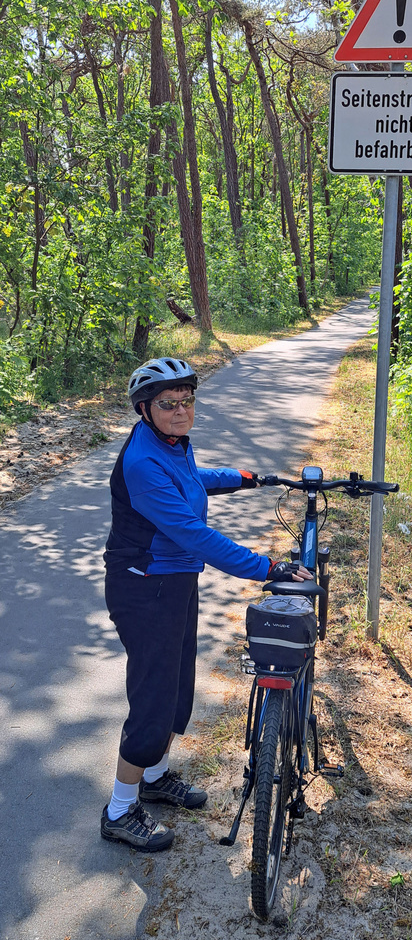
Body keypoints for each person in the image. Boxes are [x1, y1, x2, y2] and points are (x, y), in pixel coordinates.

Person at [101, 356, 311, 852]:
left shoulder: (169, 445)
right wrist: (268, 567)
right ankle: (118, 810)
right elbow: (192, 534)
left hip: (174, 584)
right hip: (144, 587)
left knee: (177, 690)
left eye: (187, 401)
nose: (181, 410)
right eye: (169, 404)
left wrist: (242, 477)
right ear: (144, 409)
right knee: (153, 699)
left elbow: (192, 479)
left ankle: (154, 779)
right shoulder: (141, 462)